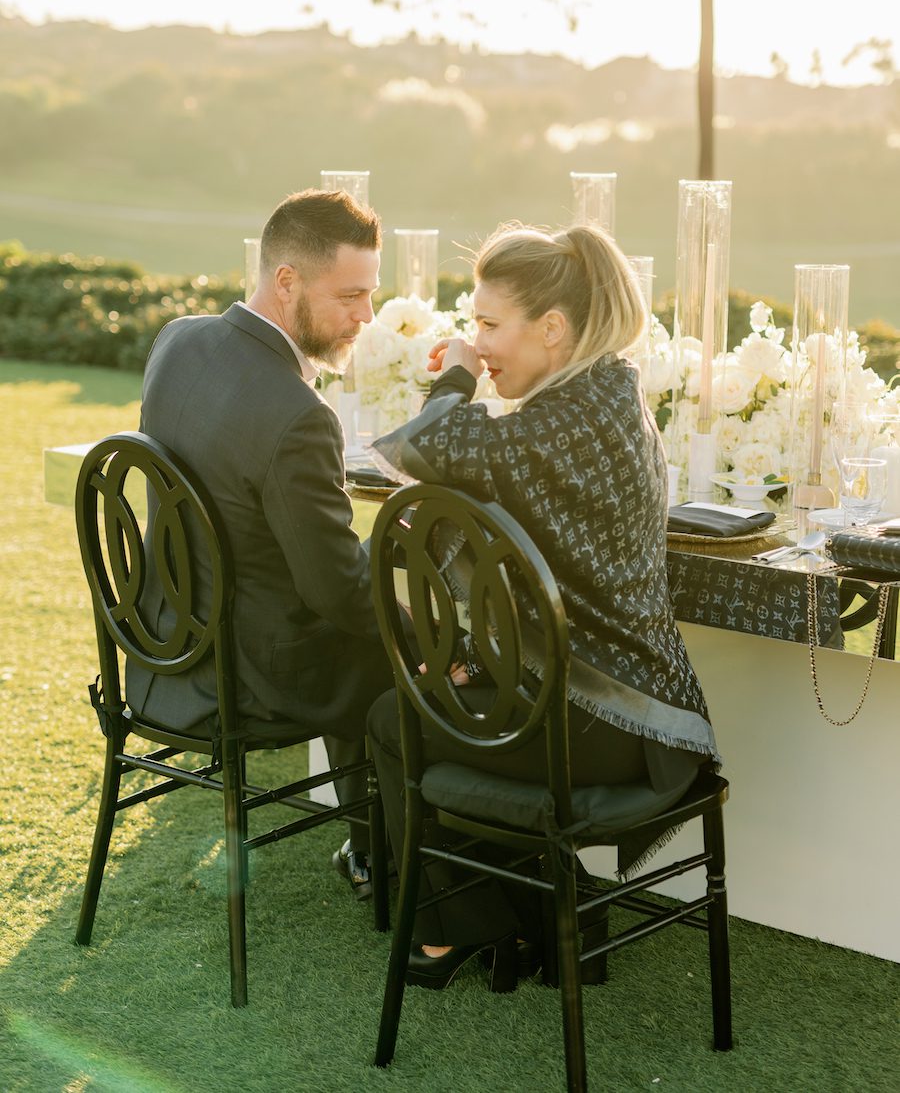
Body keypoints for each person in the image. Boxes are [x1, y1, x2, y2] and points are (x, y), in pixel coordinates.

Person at [367, 221, 720, 985]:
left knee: (395, 724)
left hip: (624, 720)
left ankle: (466, 928)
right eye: (474, 325)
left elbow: (425, 451)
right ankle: (549, 918)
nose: (478, 340)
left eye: (490, 324)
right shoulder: (593, 401)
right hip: (599, 704)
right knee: (430, 708)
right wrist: (474, 657)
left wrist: (456, 375)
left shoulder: (570, 419)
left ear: (553, 329)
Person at [129, 189, 394, 898]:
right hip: (246, 681)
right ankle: (388, 860)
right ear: (286, 281)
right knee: (397, 645)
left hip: (162, 648)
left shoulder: (178, 340)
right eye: (351, 296)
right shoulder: (298, 416)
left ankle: (376, 849)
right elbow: (338, 591)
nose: (365, 316)